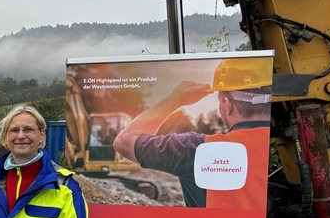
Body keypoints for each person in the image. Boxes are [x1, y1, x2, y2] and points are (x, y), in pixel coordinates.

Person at [113, 56, 272, 209]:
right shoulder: (289, 146)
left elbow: (124, 141)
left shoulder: (197, 149)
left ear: (226, 103)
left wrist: (174, 100)